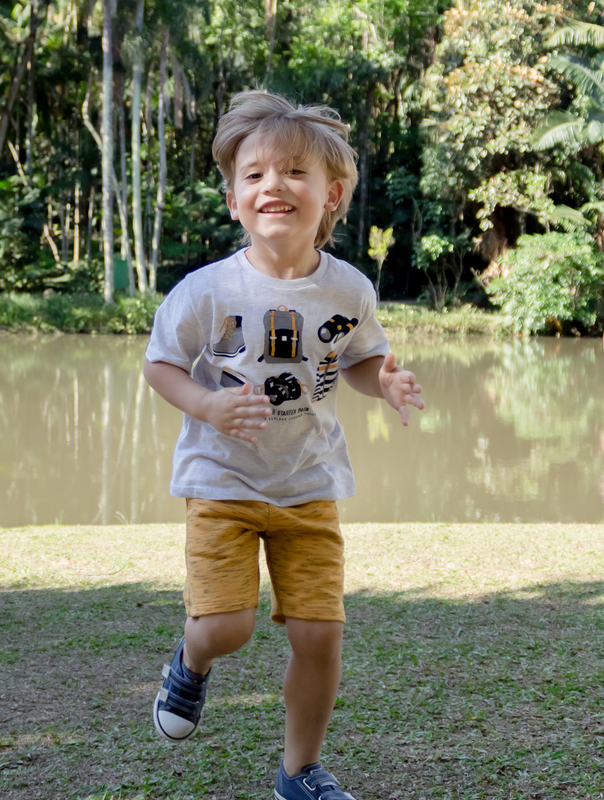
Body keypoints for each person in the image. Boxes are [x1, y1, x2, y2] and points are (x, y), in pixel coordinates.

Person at [143, 90, 425, 800]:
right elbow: (161, 364)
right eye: (256, 174)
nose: (275, 184)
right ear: (235, 200)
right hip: (221, 482)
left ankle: (299, 773)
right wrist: (207, 404)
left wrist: (384, 383)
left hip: (309, 483)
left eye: (295, 171)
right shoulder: (207, 290)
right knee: (226, 627)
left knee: (320, 636)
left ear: (331, 195)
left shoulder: (349, 290)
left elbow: (360, 359)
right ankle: (191, 660)